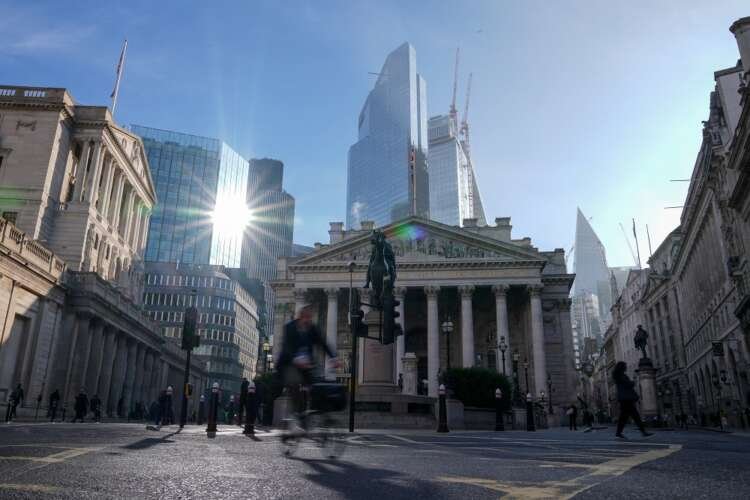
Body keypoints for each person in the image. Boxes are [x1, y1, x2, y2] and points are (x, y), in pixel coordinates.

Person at [276, 305, 338, 424]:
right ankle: (295, 416)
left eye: (310, 318)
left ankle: (318, 413)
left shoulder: (312, 328)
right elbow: (286, 347)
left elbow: (323, 343)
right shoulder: (289, 328)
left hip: (306, 366)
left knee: (317, 385)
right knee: (294, 385)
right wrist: (295, 359)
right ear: (300, 317)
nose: (308, 320)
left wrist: (333, 358)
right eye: (306, 317)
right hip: (289, 364)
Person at [613, 361, 653, 439]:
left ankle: (619, 432)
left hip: (624, 398)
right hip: (626, 398)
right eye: (625, 366)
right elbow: (628, 384)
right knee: (635, 415)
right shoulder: (621, 376)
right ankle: (643, 431)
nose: (626, 367)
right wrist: (633, 381)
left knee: (624, 417)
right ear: (622, 367)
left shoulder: (618, 376)